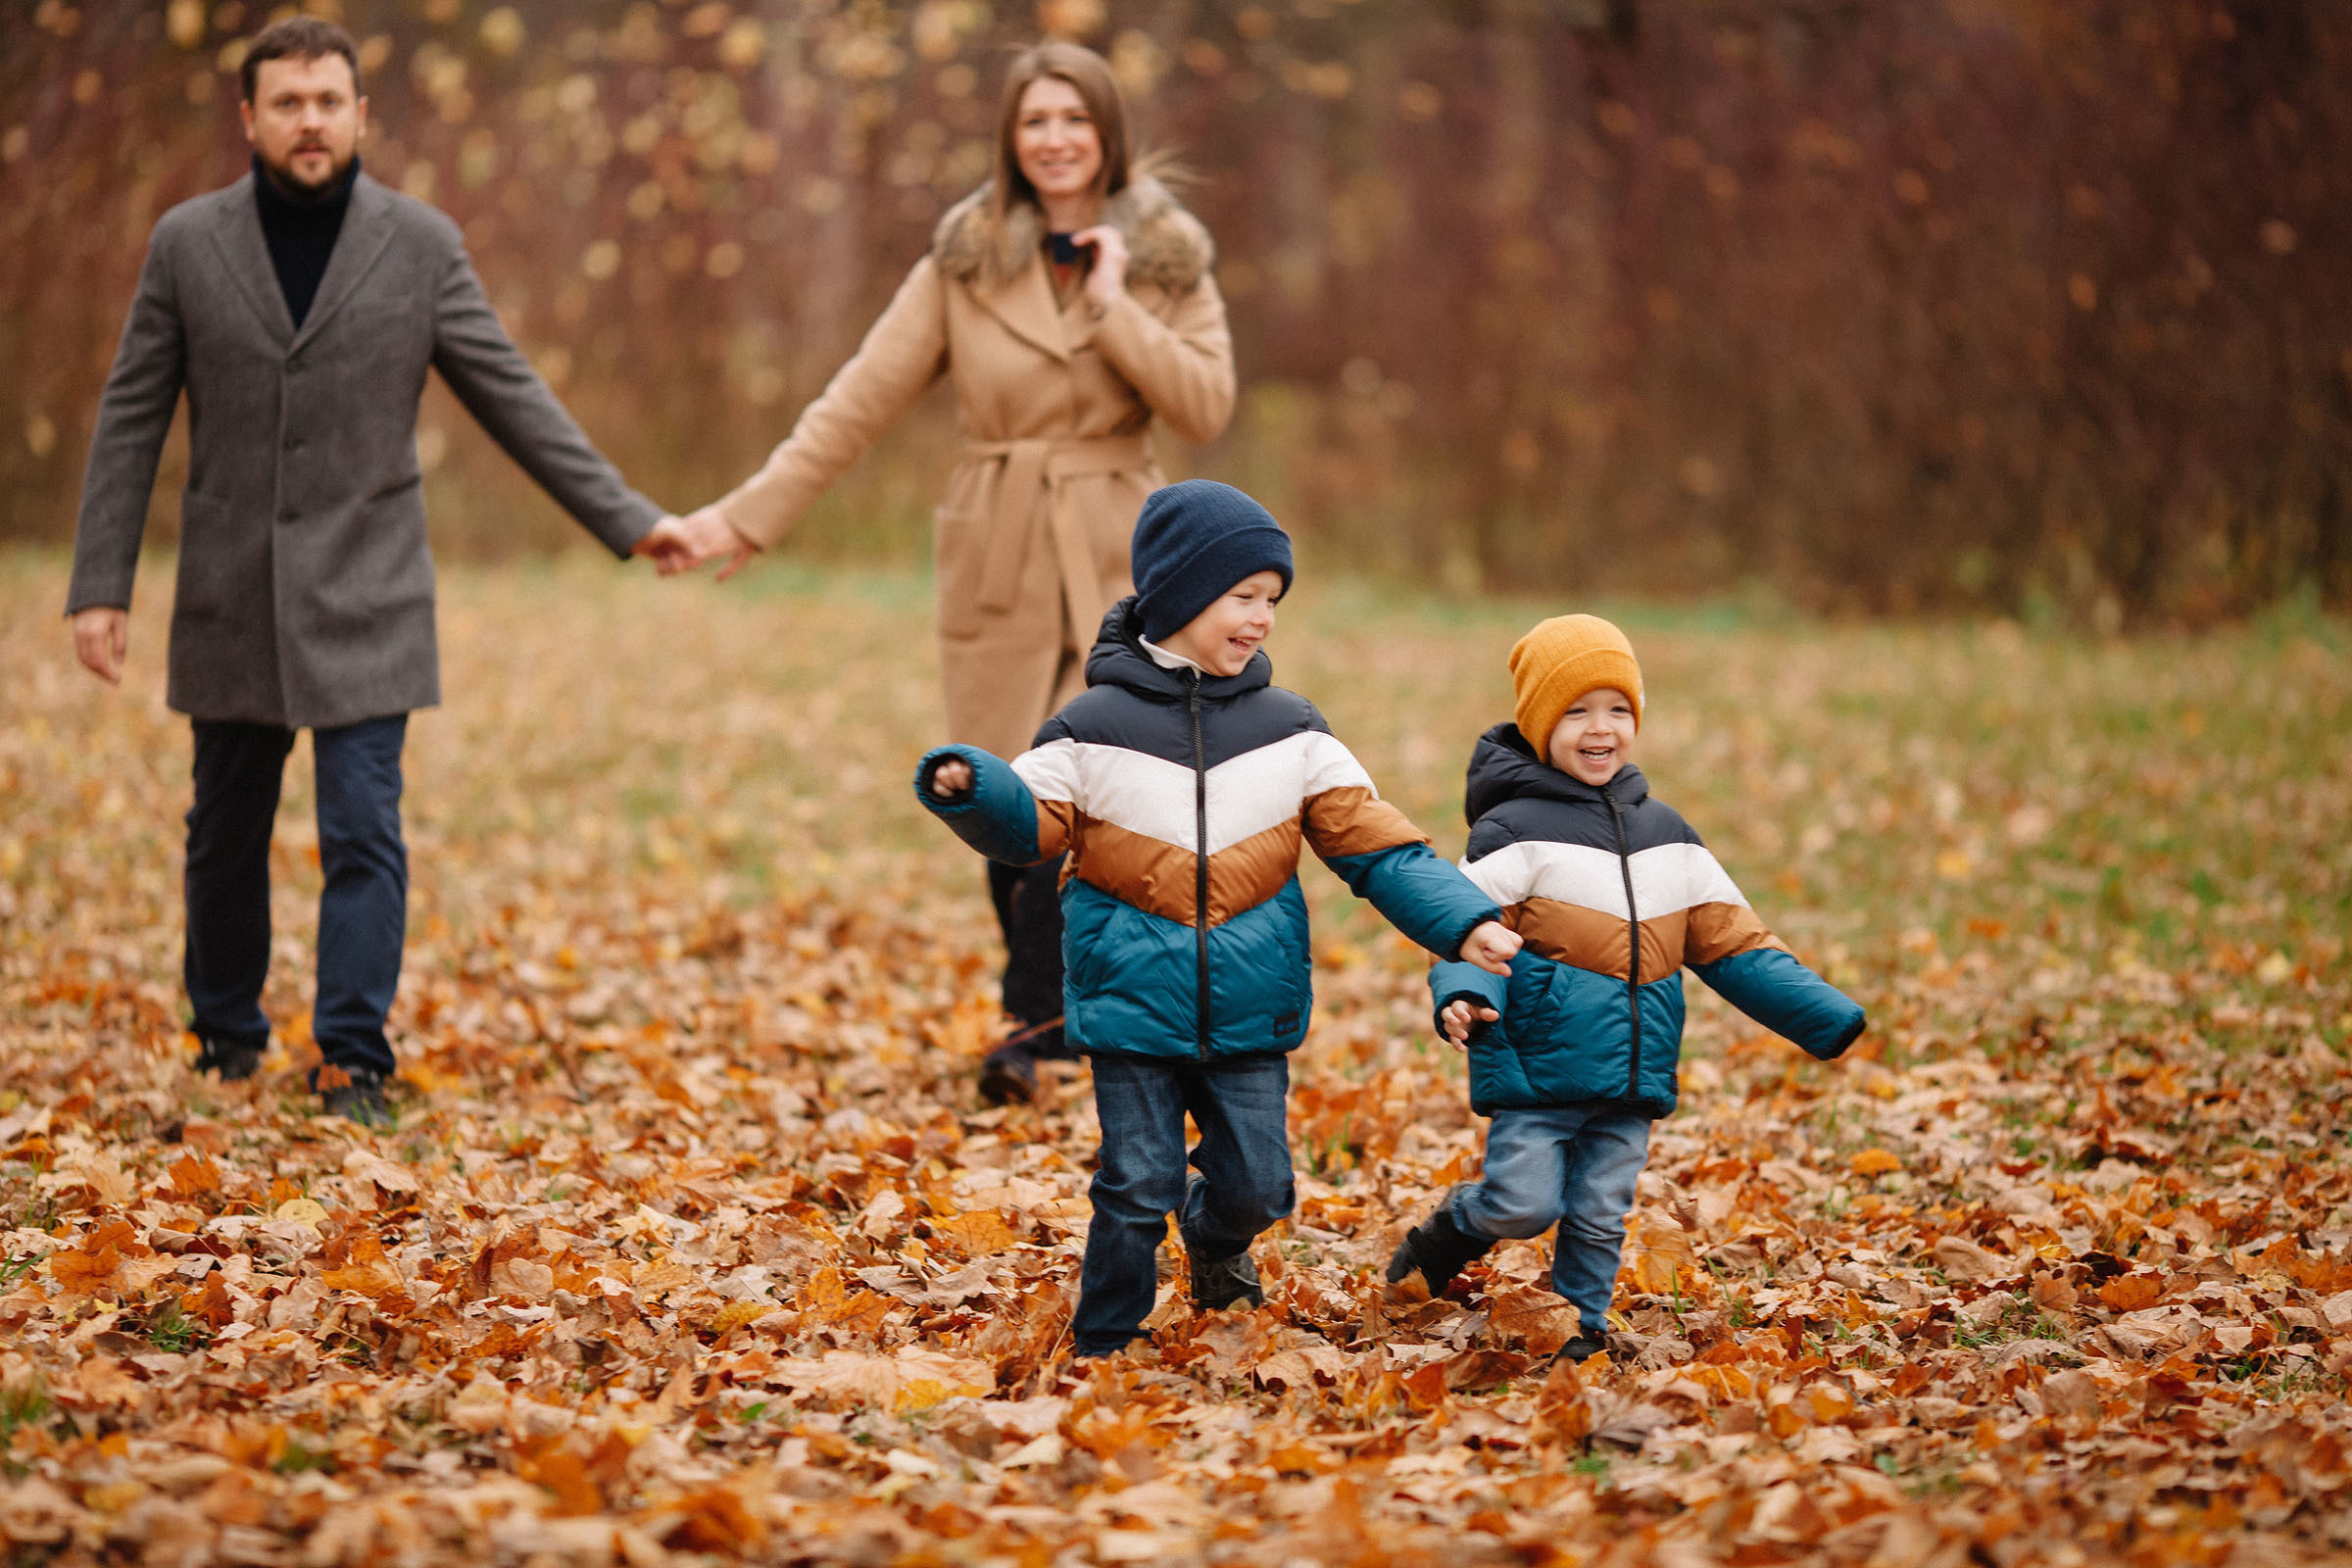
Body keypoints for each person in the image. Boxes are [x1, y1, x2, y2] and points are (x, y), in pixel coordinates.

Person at [65, 17, 695, 1126]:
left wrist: (632, 521)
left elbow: (513, 398)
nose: (310, 120)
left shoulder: (420, 245)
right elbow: (129, 416)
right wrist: (100, 581)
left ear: (360, 114)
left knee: (365, 829)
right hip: (230, 593)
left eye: (328, 100)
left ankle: (353, 1054)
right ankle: (225, 1033)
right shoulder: (185, 242)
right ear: (250, 118)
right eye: (288, 102)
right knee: (224, 829)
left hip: (372, 590)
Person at [673, 41, 1236, 1105]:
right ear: (1011, 142)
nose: (1056, 138)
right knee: (1008, 791)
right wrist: (751, 516)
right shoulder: (966, 259)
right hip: (1000, 544)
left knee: (1105, 788)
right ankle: (1050, 1009)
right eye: (1035, 122)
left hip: (1122, 547)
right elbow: (857, 400)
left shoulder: (1166, 257)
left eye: (1074, 118)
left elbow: (1206, 406)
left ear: (1106, 133)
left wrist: (1118, 306)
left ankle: (1037, 1016)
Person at [913, 481, 1522, 1360]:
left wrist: (1462, 923)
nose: (1262, 618)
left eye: (1272, 600)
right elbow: (1027, 829)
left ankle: (1217, 1242)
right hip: (1131, 1004)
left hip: (1248, 1008)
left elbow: (1380, 849)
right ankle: (1105, 1337)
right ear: (1180, 596)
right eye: (1243, 597)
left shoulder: (1294, 733)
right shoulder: (1088, 728)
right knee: (1134, 1182)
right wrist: (971, 786)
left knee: (1259, 1185)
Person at [1388, 615, 1867, 1361]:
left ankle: (1581, 1326)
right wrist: (1463, 992)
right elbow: (1464, 922)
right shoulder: (1512, 830)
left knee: (1599, 1210)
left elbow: (1734, 942)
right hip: (1538, 1069)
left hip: (1633, 1072)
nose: (1599, 728)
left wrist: (1822, 1015)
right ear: (1542, 725)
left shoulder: (1671, 835)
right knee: (1523, 1203)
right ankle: (1455, 1228)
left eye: (1617, 709)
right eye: (1576, 711)